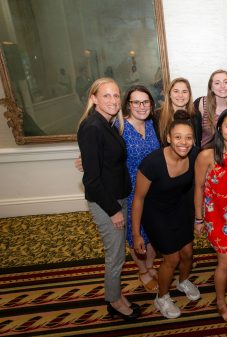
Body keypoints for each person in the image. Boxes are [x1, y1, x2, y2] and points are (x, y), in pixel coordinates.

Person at [77, 77, 140, 321]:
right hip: (107, 203)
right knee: (115, 257)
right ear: (94, 99)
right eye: (106, 95)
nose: (113, 100)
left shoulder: (108, 123)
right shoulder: (93, 126)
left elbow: (102, 162)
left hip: (117, 197)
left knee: (118, 255)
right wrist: (114, 210)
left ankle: (117, 295)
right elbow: (92, 181)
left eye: (116, 95)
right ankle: (113, 301)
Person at [132, 110, 200, 319]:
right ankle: (162, 297)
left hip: (179, 208)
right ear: (169, 138)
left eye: (188, 138)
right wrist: (136, 234)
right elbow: (138, 199)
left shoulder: (195, 154)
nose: (183, 143)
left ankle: (183, 281)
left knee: (188, 253)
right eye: (178, 137)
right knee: (172, 257)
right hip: (155, 213)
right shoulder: (152, 163)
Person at [194, 109, 227, 326]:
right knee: (224, 260)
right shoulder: (206, 155)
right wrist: (198, 219)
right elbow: (198, 188)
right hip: (215, 215)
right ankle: (220, 303)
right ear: (219, 129)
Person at [116, 85, 161, 293]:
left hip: (154, 189)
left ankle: (151, 265)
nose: (141, 106)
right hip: (131, 190)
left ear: (151, 104)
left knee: (151, 231)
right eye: (136, 102)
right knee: (136, 234)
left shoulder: (152, 124)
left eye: (145, 102)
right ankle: (142, 270)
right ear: (128, 105)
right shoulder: (119, 126)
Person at [195, 69, 227, 147]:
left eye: (226, 82)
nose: (222, 86)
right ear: (211, 87)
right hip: (205, 153)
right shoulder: (201, 103)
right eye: (217, 83)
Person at [158, 78, 202, 147]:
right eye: (176, 91)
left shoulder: (195, 115)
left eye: (184, 92)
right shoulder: (158, 115)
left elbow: (198, 142)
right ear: (169, 94)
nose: (180, 95)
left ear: (189, 95)